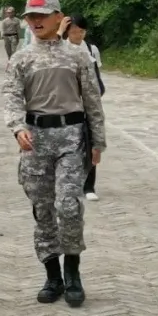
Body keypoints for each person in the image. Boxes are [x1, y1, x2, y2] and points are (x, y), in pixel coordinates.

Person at [2, 0, 107, 307]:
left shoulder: (77, 56)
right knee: (43, 209)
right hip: (36, 140)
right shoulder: (20, 59)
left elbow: (92, 100)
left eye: (42, 15)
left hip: (72, 138)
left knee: (69, 206)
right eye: (31, 16)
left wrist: (98, 141)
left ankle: (73, 271)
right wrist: (17, 127)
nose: (36, 21)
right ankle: (52, 274)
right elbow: (12, 96)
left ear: (58, 16)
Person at [66, 16, 105, 201]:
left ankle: (89, 186)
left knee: (91, 142)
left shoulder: (91, 49)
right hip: (68, 104)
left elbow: (97, 76)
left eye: (81, 31)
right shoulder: (62, 49)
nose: (78, 35)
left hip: (88, 103)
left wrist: (96, 95)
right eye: (74, 31)